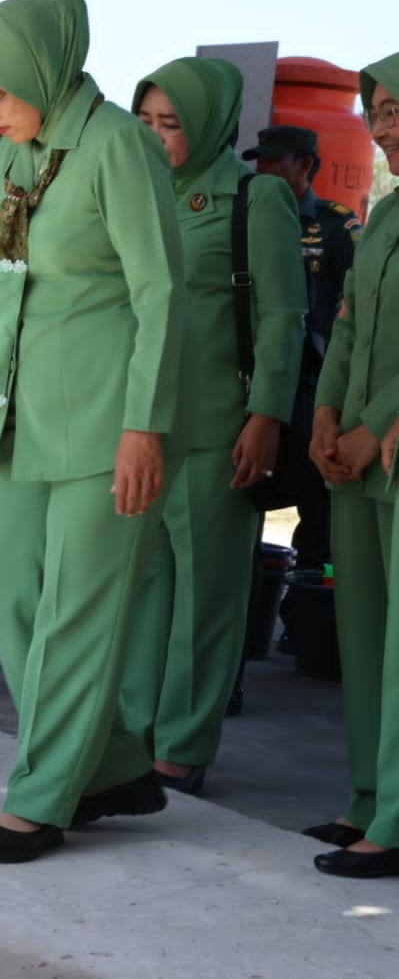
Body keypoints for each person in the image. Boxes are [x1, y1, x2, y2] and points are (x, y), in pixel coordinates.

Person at [0, 0, 185, 864]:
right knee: (7, 596)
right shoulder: (5, 162)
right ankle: (113, 765)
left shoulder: (118, 146)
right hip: (9, 420)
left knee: (76, 612)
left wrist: (143, 427)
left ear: (39, 70)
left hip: (103, 426)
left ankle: (39, 797)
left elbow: (160, 293)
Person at [120, 58, 304, 796]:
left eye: (172, 124)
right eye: (145, 123)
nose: (157, 138)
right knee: (141, 592)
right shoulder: (131, 194)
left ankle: (184, 742)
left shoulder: (253, 198)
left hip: (215, 427)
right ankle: (136, 730)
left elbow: (282, 315)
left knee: (204, 593)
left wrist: (265, 416)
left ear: (212, 127)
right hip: (138, 428)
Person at [304, 53, 399, 879]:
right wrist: (327, 417)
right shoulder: (379, 220)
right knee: (364, 633)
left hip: (391, 448)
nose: (384, 126)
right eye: (377, 111)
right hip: (361, 461)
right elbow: (345, 327)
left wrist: (373, 427)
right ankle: (369, 798)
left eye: (398, 110)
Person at [243, 124, 364, 573]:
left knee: (322, 514)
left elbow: (359, 305)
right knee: (242, 498)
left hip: (313, 388)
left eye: (276, 160)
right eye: (260, 159)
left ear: (306, 165)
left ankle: (310, 609)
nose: (264, 169)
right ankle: (251, 599)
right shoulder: (244, 217)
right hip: (253, 383)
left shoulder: (335, 226)